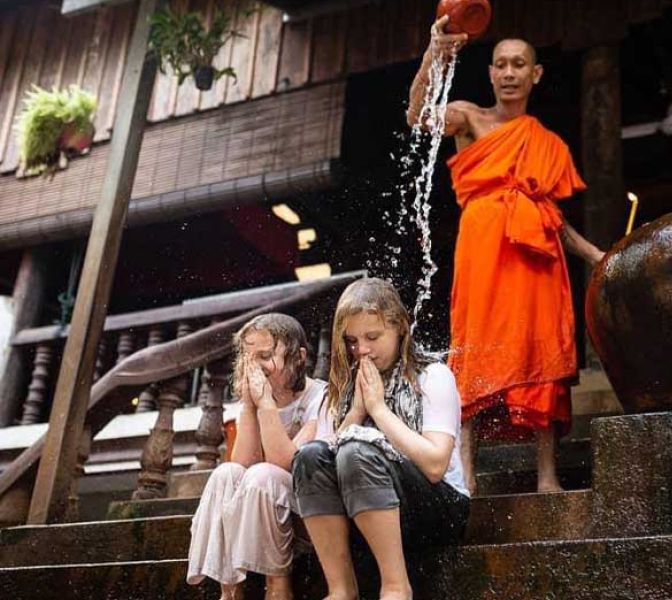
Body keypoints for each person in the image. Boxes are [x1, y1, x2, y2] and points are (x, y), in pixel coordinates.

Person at [406, 17, 604, 494]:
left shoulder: (547, 143)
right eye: (501, 65)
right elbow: (417, 117)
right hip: (483, 250)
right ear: (491, 73)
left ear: (536, 74)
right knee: (474, 351)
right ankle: (467, 475)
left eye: (519, 64)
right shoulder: (470, 117)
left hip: (537, 255)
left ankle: (547, 476)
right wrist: (434, 53)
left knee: (540, 347)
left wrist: (594, 254)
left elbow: (552, 215)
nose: (510, 72)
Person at [292, 278, 469, 600]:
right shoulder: (341, 387)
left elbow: (434, 464)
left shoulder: (433, 375)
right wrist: (357, 411)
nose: (362, 350)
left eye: (373, 337)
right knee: (310, 456)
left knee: (358, 450)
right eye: (352, 340)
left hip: (436, 507)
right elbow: (326, 463)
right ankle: (341, 590)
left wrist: (378, 409)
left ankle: (396, 587)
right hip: (362, 509)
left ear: (400, 327)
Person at [187, 313, 327, 600]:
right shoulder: (255, 399)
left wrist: (264, 404)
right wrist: (250, 407)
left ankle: (278, 587)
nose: (257, 369)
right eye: (250, 360)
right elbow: (242, 465)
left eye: (265, 356)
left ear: (299, 357)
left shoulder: (321, 398)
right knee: (225, 474)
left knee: (264, 474)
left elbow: (288, 465)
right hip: (257, 512)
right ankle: (230, 591)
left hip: (310, 515)